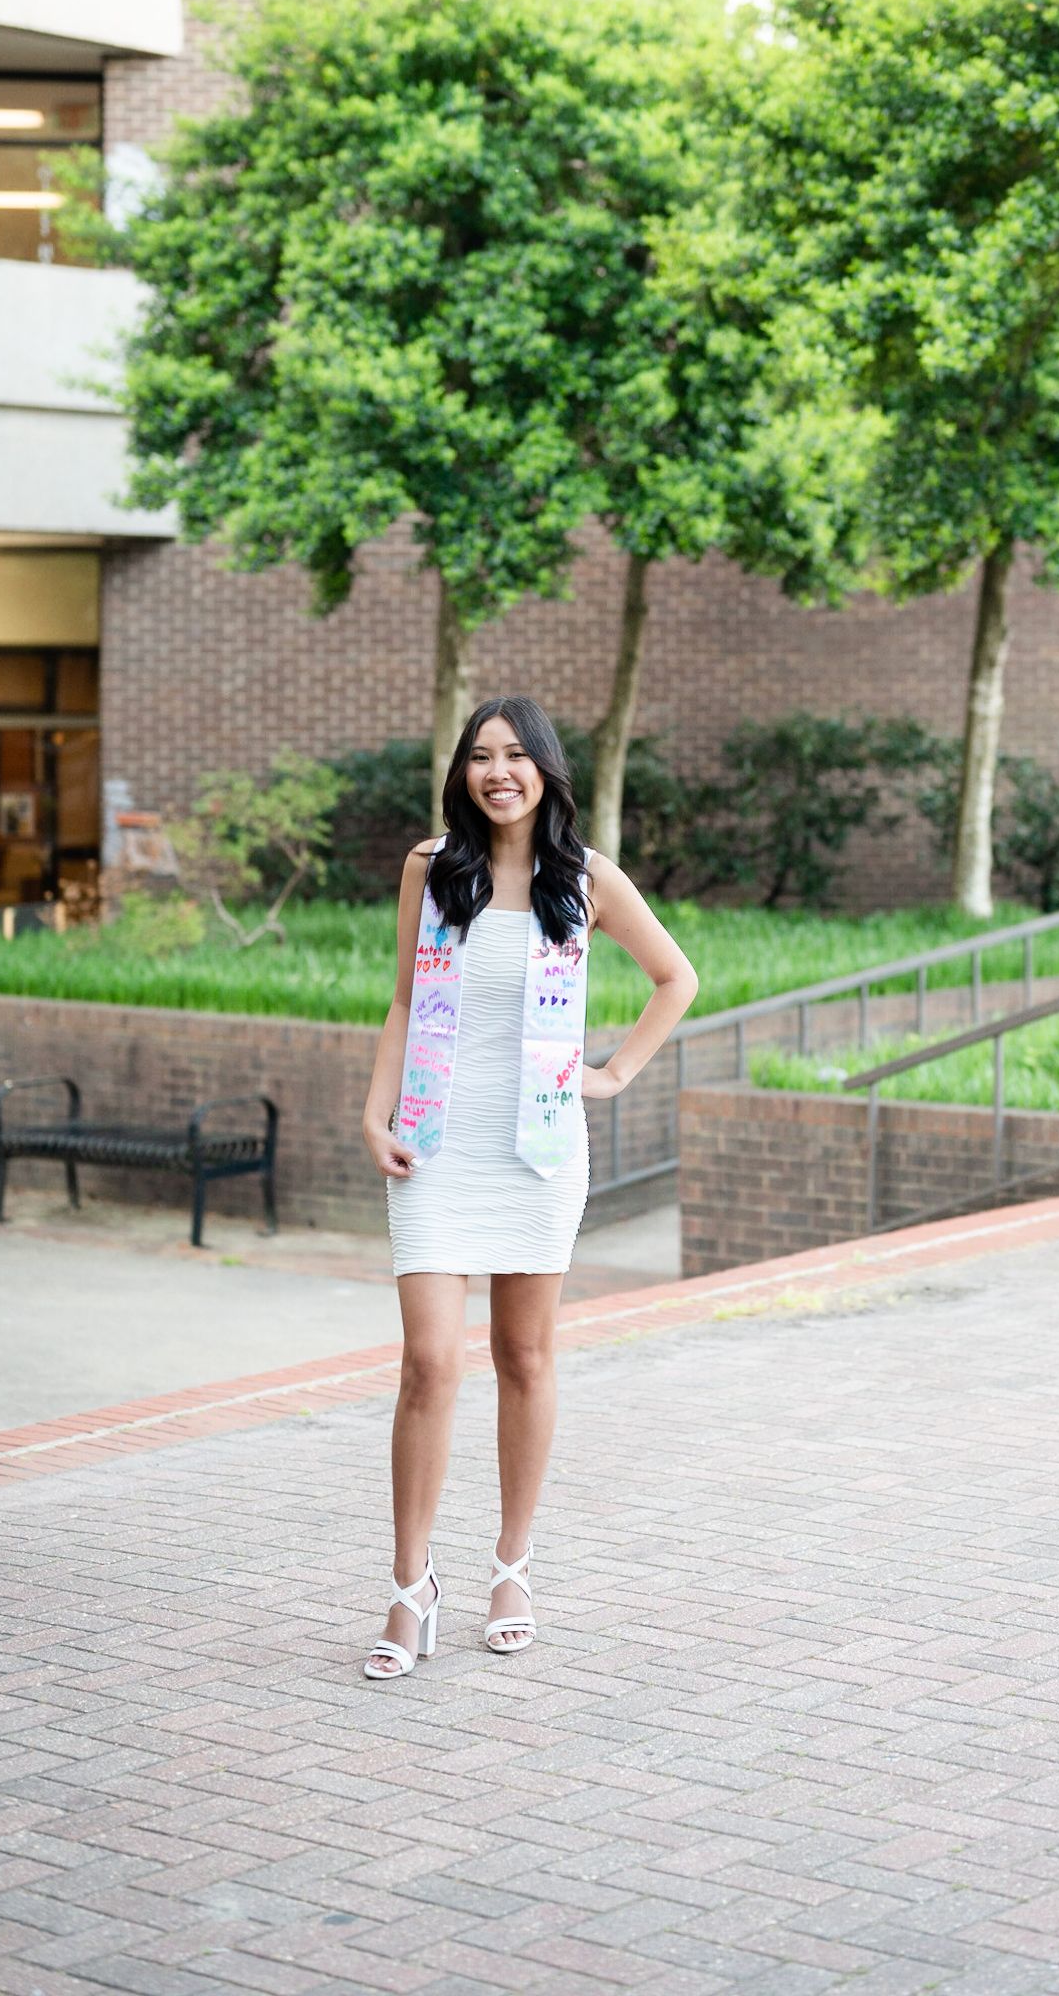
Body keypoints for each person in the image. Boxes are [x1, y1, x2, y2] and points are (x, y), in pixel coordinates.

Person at [359, 694, 697, 1677]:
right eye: (479, 756)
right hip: (435, 1144)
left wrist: (613, 1073)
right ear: (461, 773)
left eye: (515, 755)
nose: (496, 772)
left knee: (524, 1355)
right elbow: (402, 1000)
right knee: (429, 1362)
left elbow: (675, 977)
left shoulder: (584, 880)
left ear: (546, 770)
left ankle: (511, 1566)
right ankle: (410, 1585)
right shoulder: (430, 869)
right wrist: (374, 1115)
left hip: (537, 1152)